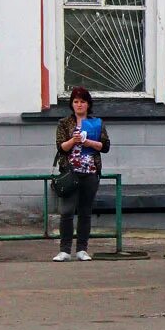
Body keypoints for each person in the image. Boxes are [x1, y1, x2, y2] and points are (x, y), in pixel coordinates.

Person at [53, 86, 111, 262]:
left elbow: (105, 146)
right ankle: (64, 250)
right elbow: (61, 147)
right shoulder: (64, 123)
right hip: (70, 173)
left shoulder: (96, 123)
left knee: (85, 211)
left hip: (90, 171)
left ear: (88, 104)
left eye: (83, 102)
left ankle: (82, 249)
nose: (79, 105)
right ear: (72, 104)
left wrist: (89, 142)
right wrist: (74, 140)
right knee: (67, 211)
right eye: (76, 102)